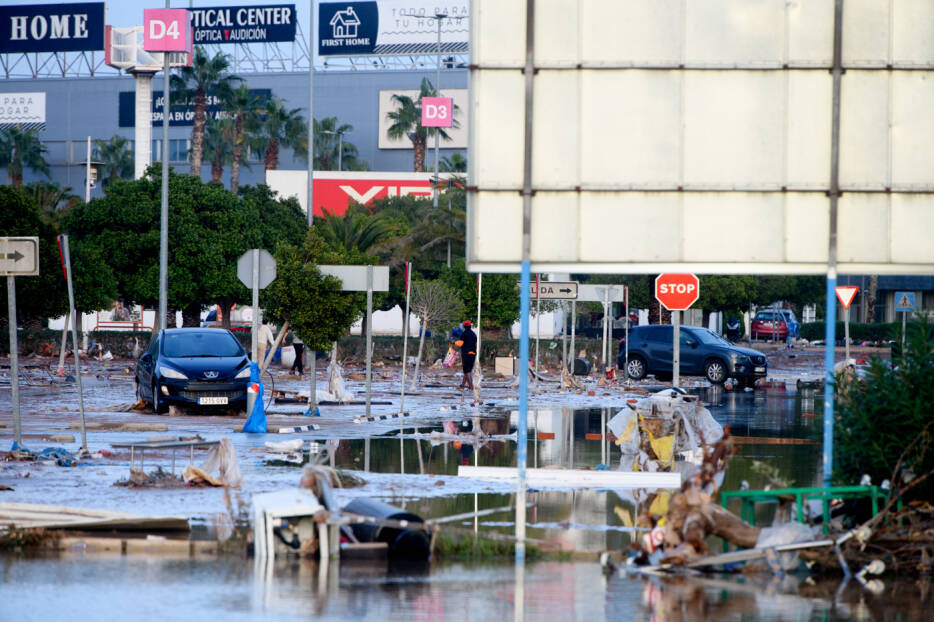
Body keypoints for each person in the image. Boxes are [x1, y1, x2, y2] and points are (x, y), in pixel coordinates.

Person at [457, 319, 477, 390]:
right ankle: (462, 386)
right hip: (473, 354)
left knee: (467, 371)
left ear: (464, 326)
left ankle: (471, 387)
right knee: (468, 370)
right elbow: (476, 344)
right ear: (470, 326)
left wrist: (454, 343)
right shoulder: (474, 334)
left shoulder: (464, 333)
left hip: (466, 354)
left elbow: (460, 343)